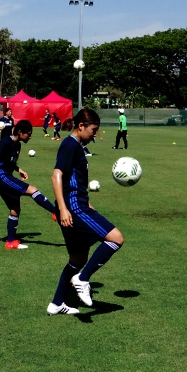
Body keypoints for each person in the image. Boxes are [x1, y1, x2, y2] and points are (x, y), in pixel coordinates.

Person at [48, 109, 125, 315]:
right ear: (81, 126)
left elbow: (76, 179)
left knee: (78, 259)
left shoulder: (77, 146)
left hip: (78, 204)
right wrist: (63, 209)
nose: (95, 134)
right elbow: (57, 175)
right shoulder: (70, 145)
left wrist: (87, 202)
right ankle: (82, 279)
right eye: (94, 130)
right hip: (73, 207)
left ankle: (56, 303)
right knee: (115, 238)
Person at [0, 120, 57, 250]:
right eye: (28, 134)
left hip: (6, 176)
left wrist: (18, 169)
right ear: (20, 132)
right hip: (2, 177)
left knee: (15, 209)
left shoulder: (18, 145)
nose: (30, 136)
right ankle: (55, 211)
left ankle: (10, 242)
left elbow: (9, 161)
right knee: (33, 190)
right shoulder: (6, 142)